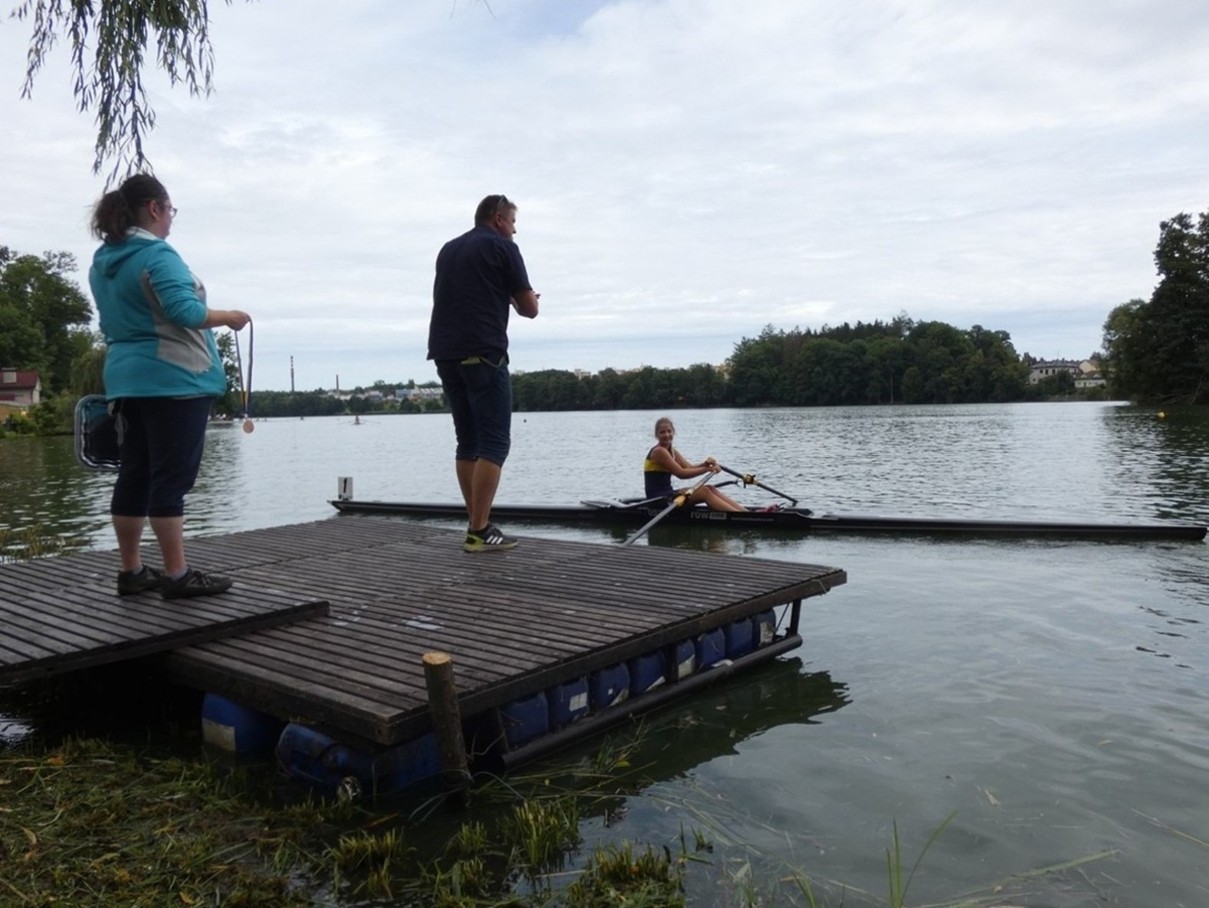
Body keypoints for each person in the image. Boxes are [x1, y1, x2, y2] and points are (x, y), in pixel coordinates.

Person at [89, 174, 251, 599]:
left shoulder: (103, 261)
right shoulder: (157, 255)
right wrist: (229, 316)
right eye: (170, 210)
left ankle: (132, 572)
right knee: (170, 479)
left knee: (135, 474)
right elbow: (185, 312)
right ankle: (177, 576)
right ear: (155, 208)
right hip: (175, 380)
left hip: (125, 381)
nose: (171, 219)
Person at [427, 194, 540, 552]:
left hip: (445, 353)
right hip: (484, 353)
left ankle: (476, 524)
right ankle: (479, 529)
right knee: (494, 443)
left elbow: (468, 293)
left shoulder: (448, 250)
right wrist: (518, 298)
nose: (515, 230)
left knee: (468, 442)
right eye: (513, 222)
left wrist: (501, 294)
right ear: (498, 218)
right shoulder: (503, 247)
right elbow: (530, 309)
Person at [643, 416, 747, 511]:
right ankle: (740, 517)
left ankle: (744, 512)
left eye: (669, 431)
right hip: (658, 500)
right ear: (656, 435)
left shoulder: (672, 451)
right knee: (705, 492)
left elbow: (689, 467)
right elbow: (681, 474)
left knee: (710, 488)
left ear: (674, 432)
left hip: (668, 494)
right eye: (662, 432)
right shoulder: (659, 451)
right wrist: (707, 469)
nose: (667, 435)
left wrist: (705, 464)